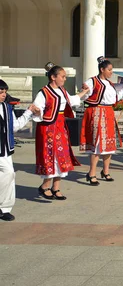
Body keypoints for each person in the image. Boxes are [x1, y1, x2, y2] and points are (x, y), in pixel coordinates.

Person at [32, 63, 89, 200]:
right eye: (62, 76)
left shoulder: (62, 91)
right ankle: (45, 186)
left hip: (60, 126)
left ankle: (56, 188)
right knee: (50, 156)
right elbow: (37, 107)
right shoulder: (43, 92)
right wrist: (38, 111)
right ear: (53, 77)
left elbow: (72, 100)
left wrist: (84, 92)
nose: (64, 79)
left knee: (62, 156)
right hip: (48, 128)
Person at [81, 57, 123, 185]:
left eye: (111, 70)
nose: (111, 72)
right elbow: (86, 95)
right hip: (97, 113)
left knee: (109, 144)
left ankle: (105, 171)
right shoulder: (92, 81)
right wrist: (85, 90)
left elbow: (114, 98)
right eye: (109, 70)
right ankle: (91, 173)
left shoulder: (109, 84)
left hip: (108, 113)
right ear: (102, 69)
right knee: (97, 144)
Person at [0, 79, 39, 220]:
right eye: (0, 92)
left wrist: (28, 112)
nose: (3, 95)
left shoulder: (6, 108)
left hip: (4, 149)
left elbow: (15, 126)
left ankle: (4, 208)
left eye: (5, 92)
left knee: (9, 174)